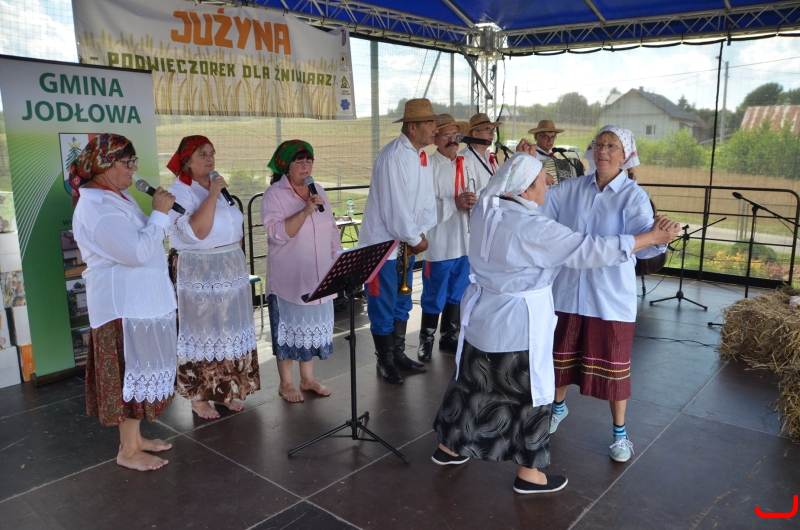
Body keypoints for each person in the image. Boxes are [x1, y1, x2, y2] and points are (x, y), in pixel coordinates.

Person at [431, 153, 679, 494]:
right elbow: (589, 249)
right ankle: (529, 475)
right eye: (541, 181)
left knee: (473, 382)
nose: (549, 185)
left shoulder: (488, 209)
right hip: (518, 324)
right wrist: (650, 238)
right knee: (529, 395)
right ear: (525, 190)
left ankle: (448, 448)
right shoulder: (533, 228)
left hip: (482, 317)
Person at [540, 125, 662, 463]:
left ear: (625, 155)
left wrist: (660, 236)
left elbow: (646, 245)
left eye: (611, 146)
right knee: (558, 359)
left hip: (609, 296)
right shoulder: (569, 189)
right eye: (599, 145)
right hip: (566, 291)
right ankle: (557, 408)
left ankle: (620, 433)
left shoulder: (633, 196)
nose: (603, 152)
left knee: (615, 368)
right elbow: (540, 215)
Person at [71, 133, 178, 471]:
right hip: (123, 308)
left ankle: (135, 440)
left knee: (141, 373)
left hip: (141, 304)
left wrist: (159, 217)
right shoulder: (97, 209)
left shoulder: (116, 195)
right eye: (127, 162)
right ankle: (127, 451)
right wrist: (159, 215)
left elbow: (142, 241)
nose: (134, 169)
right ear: (104, 165)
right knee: (129, 376)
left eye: (134, 161)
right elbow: (137, 252)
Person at [167, 136, 259, 419]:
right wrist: (211, 195)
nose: (210, 159)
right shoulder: (180, 191)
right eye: (202, 154)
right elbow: (198, 232)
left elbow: (232, 225)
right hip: (199, 268)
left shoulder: (216, 187)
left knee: (227, 329)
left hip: (228, 266)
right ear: (187, 161)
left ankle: (224, 390)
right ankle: (199, 397)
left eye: (212, 153)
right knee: (202, 330)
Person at [359, 98, 438, 384]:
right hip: (384, 247)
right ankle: (385, 360)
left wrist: (421, 231)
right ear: (412, 127)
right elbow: (395, 208)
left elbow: (427, 199)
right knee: (382, 302)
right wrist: (414, 237)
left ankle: (398, 353)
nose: (435, 128)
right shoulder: (393, 156)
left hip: (406, 242)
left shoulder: (421, 156)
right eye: (430, 123)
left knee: (402, 300)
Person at [262, 140, 342, 402]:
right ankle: (286, 384)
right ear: (287, 166)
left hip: (318, 274)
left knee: (310, 329)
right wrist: (305, 210)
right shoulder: (274, 194)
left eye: (309, 161)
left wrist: (337, 257)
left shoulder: (318, 189)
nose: (306, 166)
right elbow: (277, 234)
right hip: (289, 278)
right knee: (287, 331)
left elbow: (330, 227)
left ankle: (307, 379)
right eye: (299, 161)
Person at [417, 115, 481, 360]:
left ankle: (449, 336)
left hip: (465, 241)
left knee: (458, 292)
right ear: (435, 139)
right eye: (446, 136)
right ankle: (426, 339)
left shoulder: (468, 163)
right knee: (434, 293)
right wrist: (454, 203)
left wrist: (475, 202)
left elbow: (481, 190)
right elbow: (422, 207)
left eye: (455, 136)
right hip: (440, 242)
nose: (453, 140)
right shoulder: (428, 166)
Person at [460, 113, 501, 182]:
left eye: (493, 130)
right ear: (475, 134)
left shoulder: (490, 157)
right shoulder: (464, 158)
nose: (492, 133)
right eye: (488, 129)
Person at [529, 119, 564, 186]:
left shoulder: (551, 155)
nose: (550, 140)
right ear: (536, 137)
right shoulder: (532, 153)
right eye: (546, 136)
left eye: (552, 137)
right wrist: (544, 176)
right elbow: (527, 170)